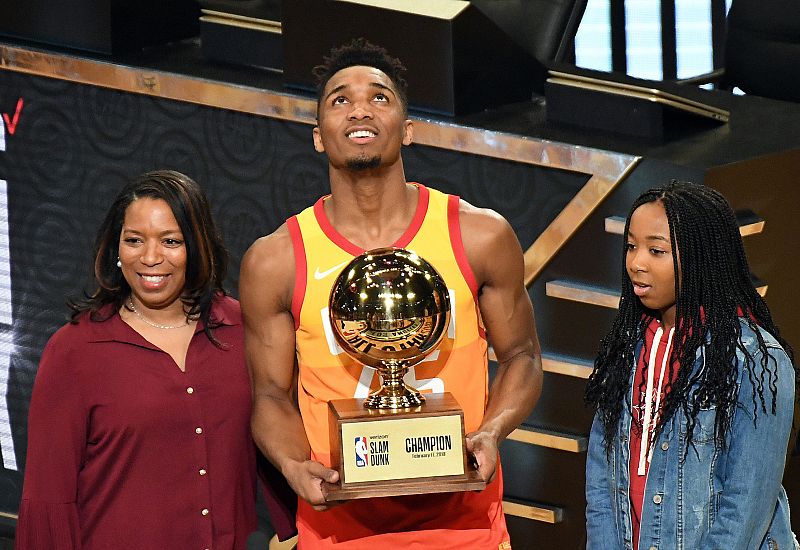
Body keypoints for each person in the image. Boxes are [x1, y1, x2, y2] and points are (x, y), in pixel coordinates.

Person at [240, 39, 543, 548]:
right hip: (339, 534)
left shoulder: (479, 236)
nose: (360, 109)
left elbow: (523, 357)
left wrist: (491, 432)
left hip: (467, 533)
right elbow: (270, 394)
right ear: (318, 136)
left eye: (379, 97)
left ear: (407, 129)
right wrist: (294, 465)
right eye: (340, 99)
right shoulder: (276, 261)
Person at [15, 170, 282, 549]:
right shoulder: (74, 350)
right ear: (116, 248)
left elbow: (279, 435)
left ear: (197, 246)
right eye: (134, 240)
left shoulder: (242, 328)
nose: (151, 258)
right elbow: (48, 496)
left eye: (170, 241)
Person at [585, 180, 798, 549]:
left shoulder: (756, 360)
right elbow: (601, 479)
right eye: (632, 246)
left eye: (656, 250)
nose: (636, 263)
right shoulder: (626, 347)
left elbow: (745, 508)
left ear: (701, 257)